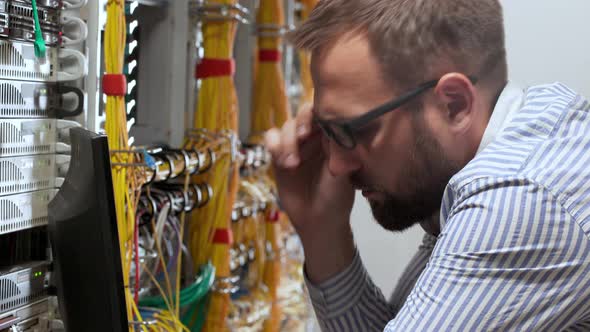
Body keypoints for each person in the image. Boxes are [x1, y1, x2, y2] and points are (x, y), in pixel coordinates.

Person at [264, 0, 590, 330]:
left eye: (354, 130)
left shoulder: (522, 195)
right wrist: (323, 231)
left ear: (454, 104)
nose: (335, 165)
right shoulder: (485, 163)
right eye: (328, 131)